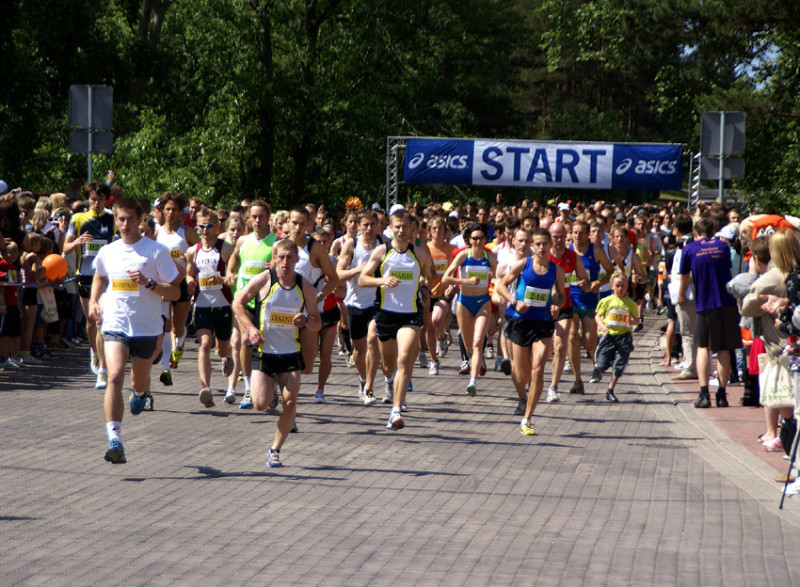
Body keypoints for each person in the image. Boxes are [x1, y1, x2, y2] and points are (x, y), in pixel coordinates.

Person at [91, 198, 180, 464]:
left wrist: (150, 283)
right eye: (121, 219)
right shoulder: (109, 251)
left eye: (130, 219)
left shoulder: (155, 251)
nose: (125, 224)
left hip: (147, 327)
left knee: (137, 383)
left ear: (140, 219)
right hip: (116, 324)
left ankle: (141, 394)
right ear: (115, 220)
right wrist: (95, 301)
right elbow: (99, 275)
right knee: (115, 375)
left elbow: (175, 291)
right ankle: (115, 440)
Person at [232, 239, 321, 468]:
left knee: (290, 403)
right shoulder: (264, 280)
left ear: (296, 260)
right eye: (281, 257)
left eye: (290, 257)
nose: (285, 262)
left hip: (291, 352)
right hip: (264, 352)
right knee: (261, 404)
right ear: (273, 258)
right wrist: (250, 329)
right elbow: (237, 303)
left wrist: (306, 321)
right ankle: (269, 388)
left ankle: (275, 450)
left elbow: (317, 321)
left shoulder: (306, 286)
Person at [358, 209, 434, 430]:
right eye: (397, 227)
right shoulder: (382, 252)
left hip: (411, 315)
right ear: (390, 228)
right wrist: (382, 280)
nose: (401, 231)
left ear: (412, 229)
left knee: (403, 359)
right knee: (388, 365)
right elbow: (363, 279)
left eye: (405, 227)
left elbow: (430, 276)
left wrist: (424, 285)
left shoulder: (419, 254)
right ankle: (389, 382)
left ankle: (396, 410)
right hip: (385, 314)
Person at [495, 228, 564, 436]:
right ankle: (523, 396)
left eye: (546, 244)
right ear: (533, 246)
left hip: (542, 323)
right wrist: (515, 302)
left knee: (538, 369)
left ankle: (527, 418)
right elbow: (501, 285)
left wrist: (556, 306)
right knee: (522, 374)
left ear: (550, 245)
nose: (542, 248)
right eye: (539, 244)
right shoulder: (523, 265)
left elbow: (561, 297)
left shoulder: (556, 270)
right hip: (520, 321)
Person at [678, 215, 742, 408]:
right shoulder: (722, 247)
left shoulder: (689, 249)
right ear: (713, 231)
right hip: (726, 301)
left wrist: (681, 295)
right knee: (723, 348)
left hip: (704, 303)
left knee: (703, 347)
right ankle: (722, 394)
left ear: (695, 233)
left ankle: (704, 393)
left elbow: (684, 277)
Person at [62, 183, 115, 387]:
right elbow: (65, 248)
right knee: (92, 321)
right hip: (84, 275)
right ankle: (93, 350)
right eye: (93, 198)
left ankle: (102, 369)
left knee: (101, 320)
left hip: (105, 276)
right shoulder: (77, 218)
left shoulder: (112, 218)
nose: (96, 202)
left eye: (100, 199)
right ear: (87, 199)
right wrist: (77, 242)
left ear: (106, 200)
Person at [283, 207, 339, 399]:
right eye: (294, 222)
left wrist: (320, 296)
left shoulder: (314, 248)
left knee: (306, 366)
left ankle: (293, 389)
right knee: (284, 357)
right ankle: (285, 397)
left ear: (309, 224)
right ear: (287, 223)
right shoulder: (280, 245)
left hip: (308, 312)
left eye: (302, 223)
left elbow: (334, 278)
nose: (297, 227)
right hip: (284, 310)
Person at [227, 200, 277, 408]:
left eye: (261, 216)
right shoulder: (242, 241)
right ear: (249, 218)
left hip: (265, 300)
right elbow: (234, 259)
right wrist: (230, 272)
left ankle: (270, 384)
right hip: (243, 299)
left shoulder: (275, 242)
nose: (257, 220)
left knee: (267, 344)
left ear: (268, 217)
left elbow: (282, 265)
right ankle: (248, 388)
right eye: (254, 216)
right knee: (244, 341)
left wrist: (274, 265)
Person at [185, 208, 235, 407]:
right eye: (201, 226)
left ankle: (227, 356)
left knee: (222, 348)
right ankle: (206, 388)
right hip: (202, 304)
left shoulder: (227, 249)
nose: (205, 230)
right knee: (205, 344)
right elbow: (190, 273)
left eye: (209, 226)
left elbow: (235, 277)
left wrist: (223, 279)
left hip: (223, 305)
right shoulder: (192, 251)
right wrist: (190, 281)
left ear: (217, 227)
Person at [442, 222, 497, 395]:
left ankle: (472, 381)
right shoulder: (462, 256)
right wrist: (465, 282)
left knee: (478, 341)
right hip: (464, 302)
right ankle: (477, 360)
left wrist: (495, 281)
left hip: (483, 302)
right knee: (468, 346)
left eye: (481, 238)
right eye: (475, 238)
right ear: (469, 240)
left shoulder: (491, 258)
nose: (478, 241)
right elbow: (445, 279)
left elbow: (498, 279)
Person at [337, 210, 384, 404]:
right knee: (359, 351)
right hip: (355, 303)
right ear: (358, 226)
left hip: (377, 302)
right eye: (365, 225)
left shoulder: (383, 244)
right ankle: (363, 380)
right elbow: (338, 274)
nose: (369, 228)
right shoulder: (351, 245)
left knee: (373, 339)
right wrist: (359, 269)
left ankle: (370, 388)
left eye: (372, 224)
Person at [154, 192, 200, 382]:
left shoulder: (187, 232)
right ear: (162, 211)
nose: (171, 213)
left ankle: (179, 345)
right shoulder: (157, 233)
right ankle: (166, 366)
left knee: (177, 326)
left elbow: (201, 254)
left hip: (181, 283)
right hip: (163, 283)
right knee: (164, 325)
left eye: (174, 210)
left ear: (181, 212)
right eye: (168, 209)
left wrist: (190, 270)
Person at [546, 221, 590, 402]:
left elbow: (585, 282)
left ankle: (553, 387)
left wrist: (585, 283)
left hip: (564, 306)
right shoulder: (542, 256)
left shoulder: (572, 257)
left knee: (560, 345)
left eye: (562, 237)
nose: (559, 240)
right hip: (542, 308)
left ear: (567, 237)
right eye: (555, 237)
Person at [591, 271, 640, 402]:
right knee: (601, 362)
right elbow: (597, 316)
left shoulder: (631, 304)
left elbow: (637, 320)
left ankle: (610, 390)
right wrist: (602, 326)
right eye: (617, 286)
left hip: (624, 337)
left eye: (623, 286)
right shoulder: (606, 301)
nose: (620, 289)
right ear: (612, 286)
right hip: (608, 336)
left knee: (619, 364)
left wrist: (632, 321)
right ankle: (599, 369)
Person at [425, 215, 455, 374]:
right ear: (429, 231)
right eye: (434, 228)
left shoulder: (451, 249)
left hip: (444, 292)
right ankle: (433, 360)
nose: (437, 231)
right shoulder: (425, 248)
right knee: (428, 328)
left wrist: (451, 285)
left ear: (445, 231)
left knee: (436, 319)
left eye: (440, 229)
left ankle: (442, 337)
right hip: (427, 292)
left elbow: (455, 270)